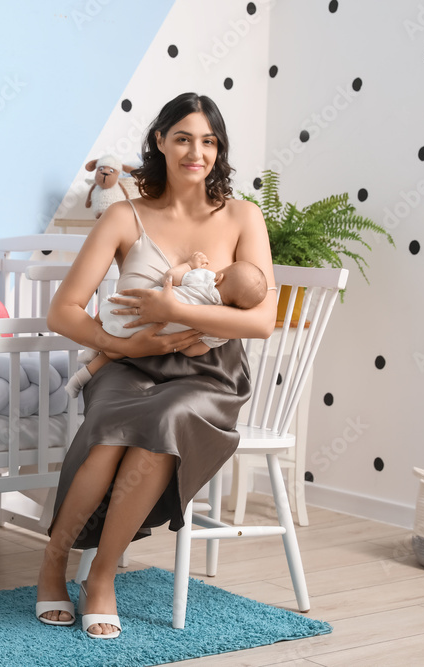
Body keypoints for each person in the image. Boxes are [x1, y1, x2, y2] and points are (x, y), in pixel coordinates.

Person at [34, 92, 277, 639]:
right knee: (110, 427)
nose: (197, 151)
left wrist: (174, 309)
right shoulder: (126, 215)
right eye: (184, 138)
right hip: (132, 364)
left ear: (220, 150)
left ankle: (101, 576)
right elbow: (63, 311)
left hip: (209, 373)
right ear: (160, 143)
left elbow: (262, 322)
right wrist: (120, 348)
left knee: (165, 422)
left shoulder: (243, 216)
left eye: (209, 141)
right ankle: (53, 561)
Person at [65, 251, 269, 398]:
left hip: (133, 308)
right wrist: (187, 341)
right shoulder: (221, 332)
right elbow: (193, 352)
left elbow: (170, 278)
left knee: (104, 314)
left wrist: (190, 265)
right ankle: (79, 379)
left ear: (220, 277)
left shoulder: (205, 280)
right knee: (111, 355)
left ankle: (91, 348)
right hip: (142, 335)